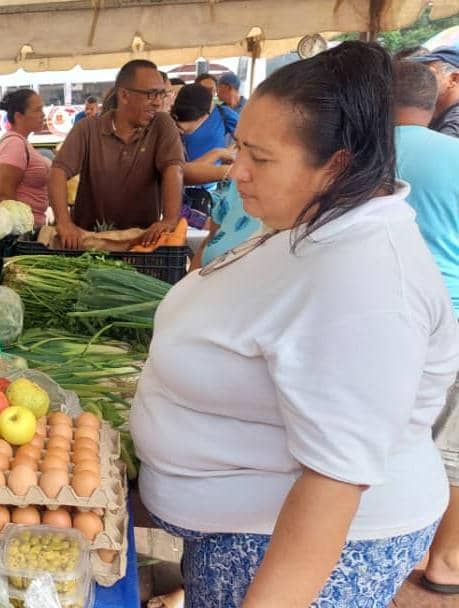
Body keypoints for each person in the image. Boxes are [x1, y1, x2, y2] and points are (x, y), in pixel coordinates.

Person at [130, 41, 459, 607]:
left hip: (299, 560)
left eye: (260, 157)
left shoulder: (366, 281)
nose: (239, 174)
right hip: (240, 537)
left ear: (338, 163)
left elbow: (336, 480)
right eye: (238, 149)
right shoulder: (311, 223)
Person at [392, 59, 459, 595]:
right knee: (451, 451)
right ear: (433, 101)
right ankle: (445, 562)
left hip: (381, 320)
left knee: (379, 437)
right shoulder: (456, 156)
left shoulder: (354, 157)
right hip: (453, 316)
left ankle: (368, 543)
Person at [49, 59, 184, 249]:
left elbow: (174, 169)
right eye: (151, 94)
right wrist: (64, 223)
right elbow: (58, 172)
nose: (158, 102)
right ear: (124, 95)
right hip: (90, 242)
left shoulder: (162, 125)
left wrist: (169, 220)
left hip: (141, 244)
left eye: (161, 94)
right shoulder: (89, 128)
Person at [0, 89, 51, 226]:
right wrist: (20, 233)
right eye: (37, 110)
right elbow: (5, 195)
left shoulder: (21, 142)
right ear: (19, 116)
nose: (43, 114)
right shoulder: (14, 144)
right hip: (25, 233)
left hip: (33, 227)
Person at [408, 46, 459, 138]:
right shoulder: (434, 113)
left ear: (453, 79)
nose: (421, 79)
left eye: (429, 74)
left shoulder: (454, 124)